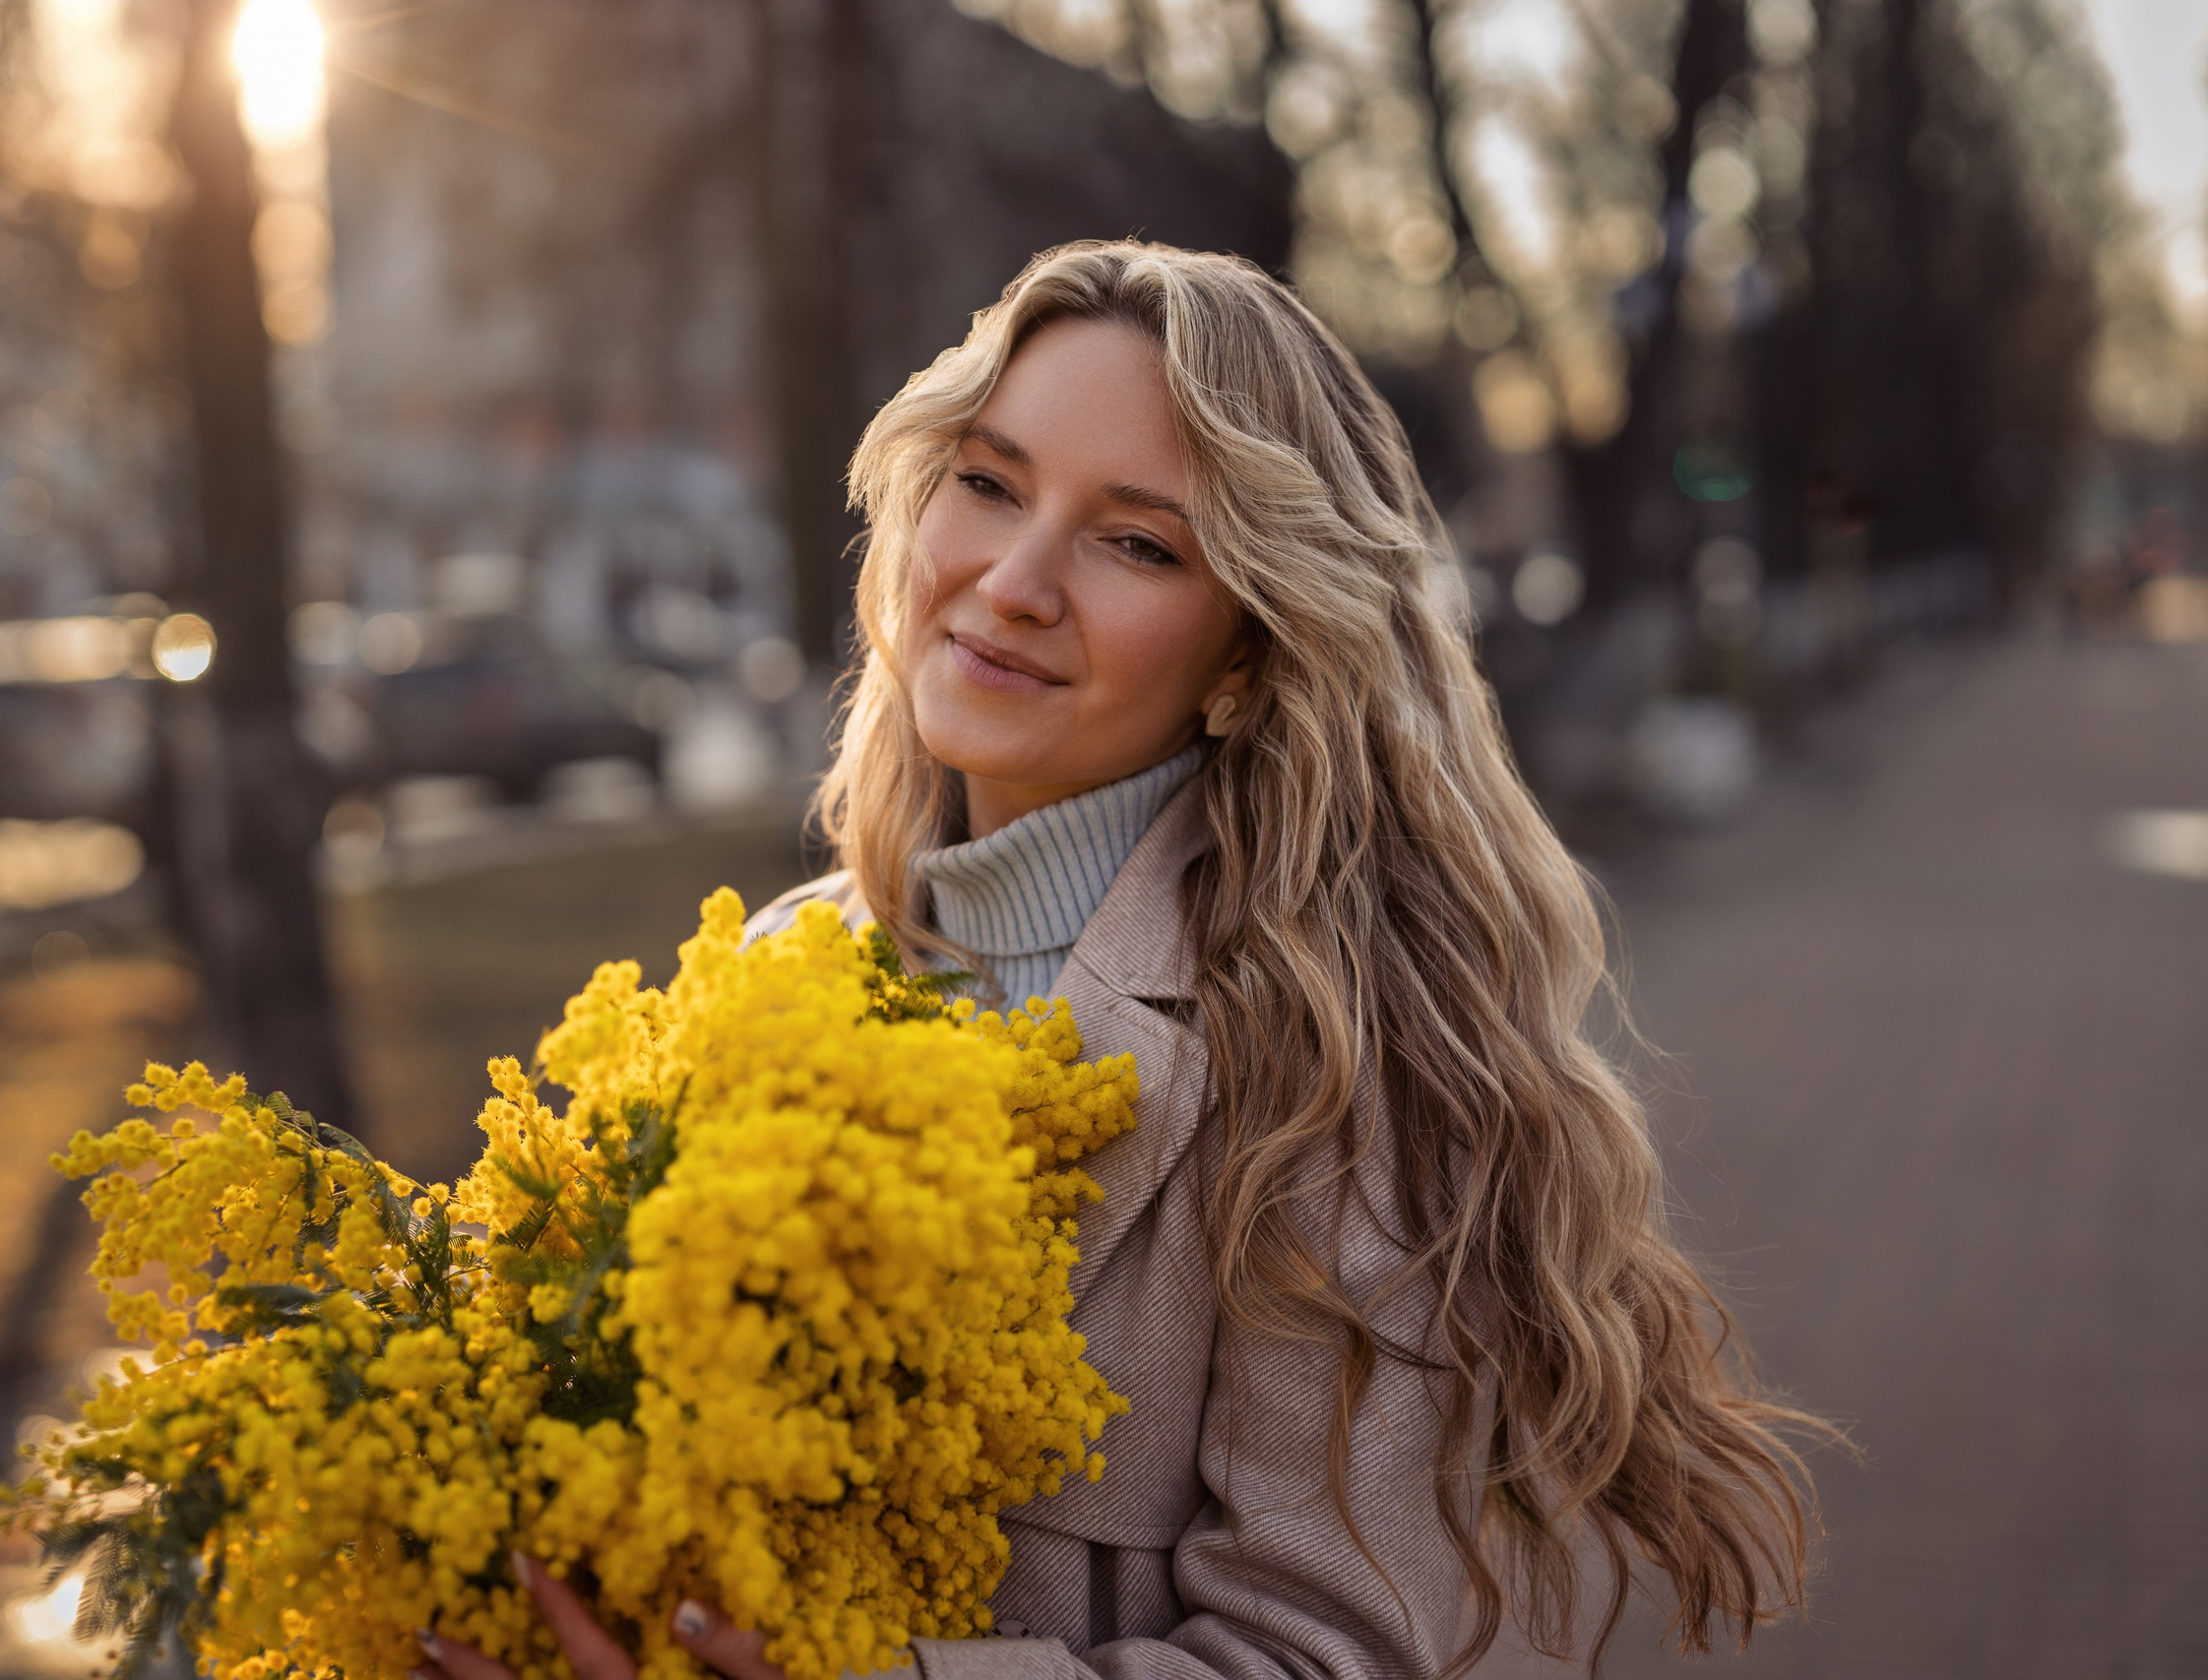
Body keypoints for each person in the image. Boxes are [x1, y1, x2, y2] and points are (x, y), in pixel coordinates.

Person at [418, 240, 1819, 1680]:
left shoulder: (1324, 1072)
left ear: (1246, 655)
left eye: (1137, 543)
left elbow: (1324, 1655)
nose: (1014, 581)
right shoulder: (776, 967)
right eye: (989, 482)